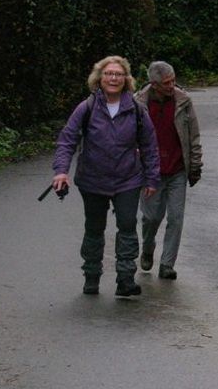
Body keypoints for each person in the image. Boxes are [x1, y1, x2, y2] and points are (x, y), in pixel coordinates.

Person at [52, 56, 159, 297]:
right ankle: (91, 276)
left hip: (127, 179)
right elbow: (67, 140)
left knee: (128, 225)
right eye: (109, 74)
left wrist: (152, 178)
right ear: (99, 78)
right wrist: (61, 171)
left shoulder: (137, 110)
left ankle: (125, 279)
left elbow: (150, 146)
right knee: (94, 228)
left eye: (118, 74)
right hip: (93, 180)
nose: (113, 78)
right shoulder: (87, 107)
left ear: (126, 80)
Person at [135, 61, 203, 280]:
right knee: (151, 217)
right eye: (167, 83)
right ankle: (147, 248)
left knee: (176, 217)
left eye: (173, 80)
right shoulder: (139, 104)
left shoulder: (183, 101)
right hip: (151, 172)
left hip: (177, 170)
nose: (172, 85)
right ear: (154, 84)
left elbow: (193, 135)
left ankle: (167, 264)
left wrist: (195, 165)